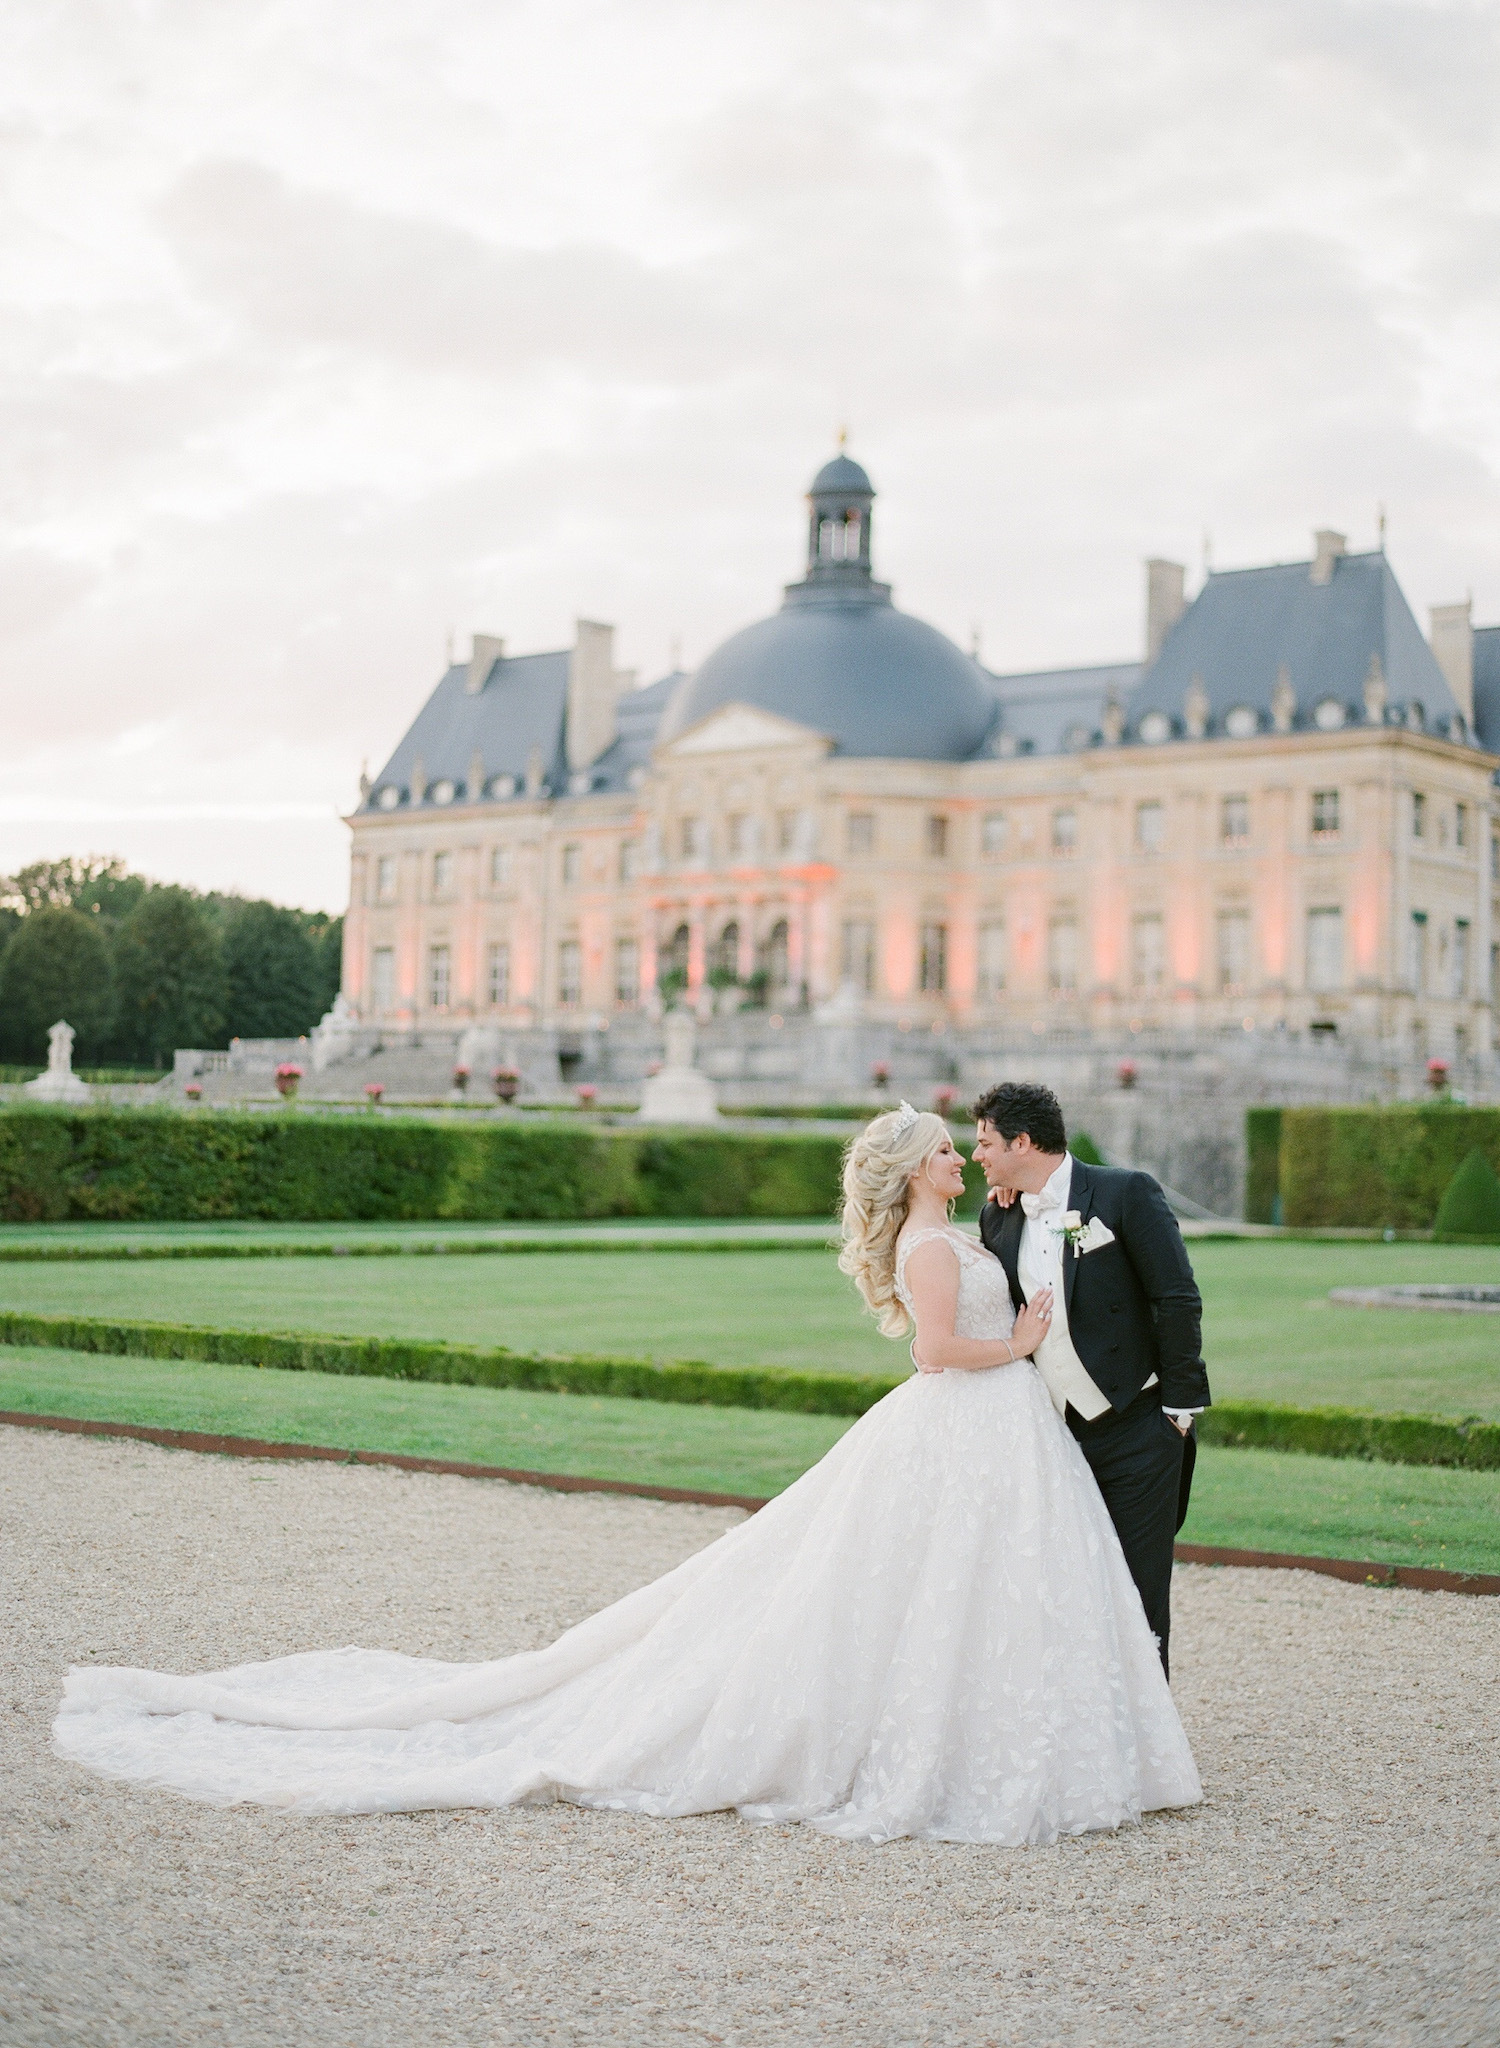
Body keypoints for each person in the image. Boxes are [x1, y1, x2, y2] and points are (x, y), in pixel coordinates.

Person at [53, 1106, 1200, 1845]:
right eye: (949, 1144)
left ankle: (1031, 1736)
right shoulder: (934, 1240)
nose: (966, 1152)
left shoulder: (981, 1227)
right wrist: (1022, 1334)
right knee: (917, 1591)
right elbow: (936, 1352)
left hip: (1005, 1437)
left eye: (967, 1142)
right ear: (914, 1171)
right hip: (970, 1414)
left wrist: (1032, 1319)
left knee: (983, 1594)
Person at [968, 1082, 1210, 1676]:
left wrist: (1178, 1412)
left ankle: (1149, 1751)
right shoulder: (997, 1217)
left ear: (1022, 1141)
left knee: (1138, 1598)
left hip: (1139, 1431)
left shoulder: (1126, 1193)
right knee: (1065, 1591)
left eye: (985, 1143)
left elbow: (1176, 1299)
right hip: (1052, 1440)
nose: (977, 1156)